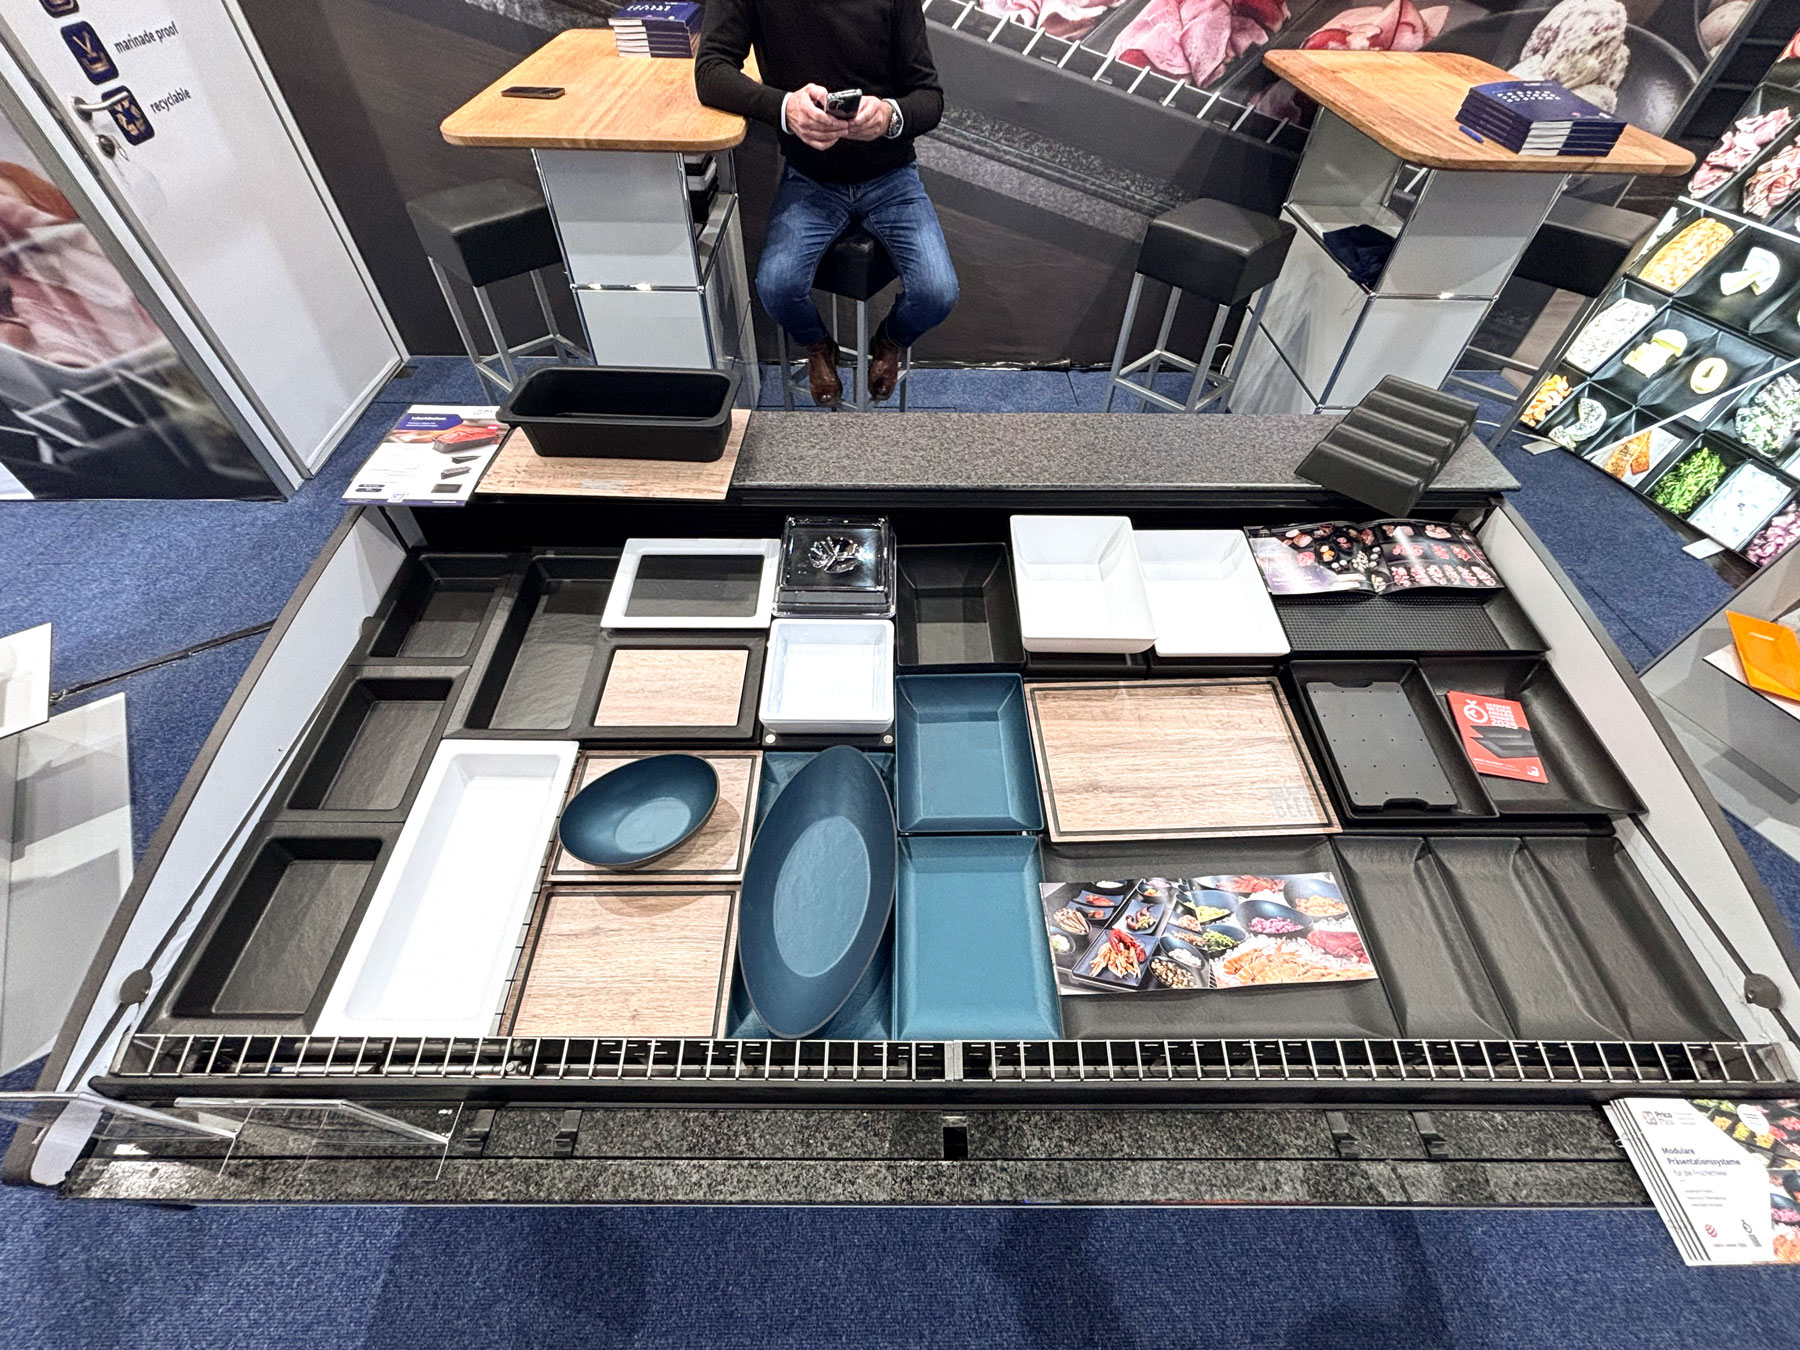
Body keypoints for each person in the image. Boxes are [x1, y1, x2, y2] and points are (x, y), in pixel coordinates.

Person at [695, 0, 959, 407]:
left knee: (937, 293)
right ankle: (819, 346)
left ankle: (889, 341)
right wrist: (785, 108)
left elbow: (929, 97)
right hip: (809, 177)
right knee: (777, 287)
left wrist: (889, 115)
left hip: (891, 176)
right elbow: (710, 72)